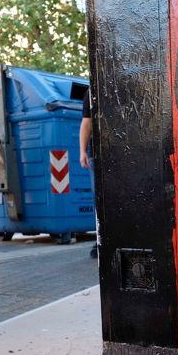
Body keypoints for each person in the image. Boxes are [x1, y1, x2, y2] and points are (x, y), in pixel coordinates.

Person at [78, 88, 97, 258]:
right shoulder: (91, 91)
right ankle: (101, 239)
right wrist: (82, 151)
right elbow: (87, 122)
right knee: (99, 196)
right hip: (97, 149)